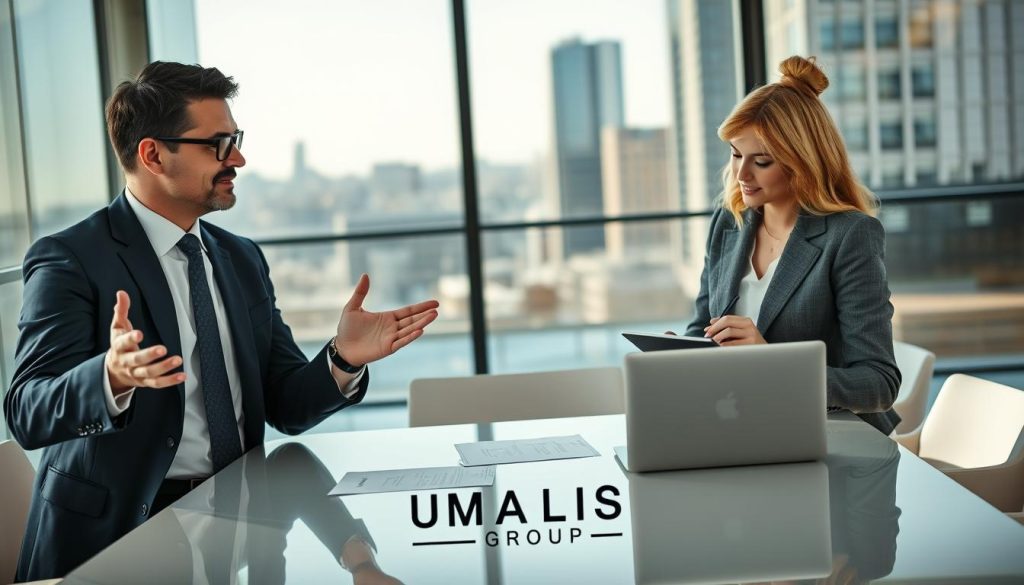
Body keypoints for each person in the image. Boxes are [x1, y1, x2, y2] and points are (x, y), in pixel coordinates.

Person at [3, 61, 438, 581]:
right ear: (153, 153)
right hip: (117, 544)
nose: (239, 158)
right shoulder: (70, 257)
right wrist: (110, 377)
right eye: (219, 145)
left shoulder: (241, 258)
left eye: (236, 140)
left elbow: (286, 406)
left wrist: (341, 359)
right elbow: (27, 410)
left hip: (243, 527)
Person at [682, 55, 901, 434]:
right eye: (736, 154)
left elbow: (878, 383)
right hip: (741, 423)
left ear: (802, 161)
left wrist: (772, 362)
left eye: (761, 161)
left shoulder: (850, 236)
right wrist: (677, 355)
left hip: (830, 434)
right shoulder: (728, 223)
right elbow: (703, 327)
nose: (741, 173)